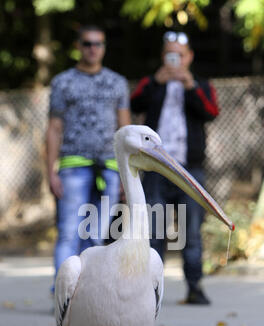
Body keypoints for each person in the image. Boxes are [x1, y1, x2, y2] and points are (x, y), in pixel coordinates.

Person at [131, 31, 219, 305]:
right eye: (171, 54)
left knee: (191, 232)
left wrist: (191, 86)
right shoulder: (153, 83)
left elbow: (211, 112)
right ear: (163, 57)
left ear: (189, 56)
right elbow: (134, 103)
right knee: (155, 230)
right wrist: (156, 81)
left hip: (190, 169)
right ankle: (149, 288)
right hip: (157, 168)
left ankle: (195, 285)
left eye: (180, 55)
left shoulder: (201, 85)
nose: (176, 60)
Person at [46, 24, 131, 282]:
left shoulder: (117, 82)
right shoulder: (62, 82)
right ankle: (63, 294)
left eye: (98, 44)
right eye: (87, 44)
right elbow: (53, 128)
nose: (93, 49)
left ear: (104, 47)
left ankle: (88, 293)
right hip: (73, 168)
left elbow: (125, 130)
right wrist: (50, 172)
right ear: (78, 46)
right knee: (69, 233)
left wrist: (128, 175)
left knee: (97, 235)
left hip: (109, 169)